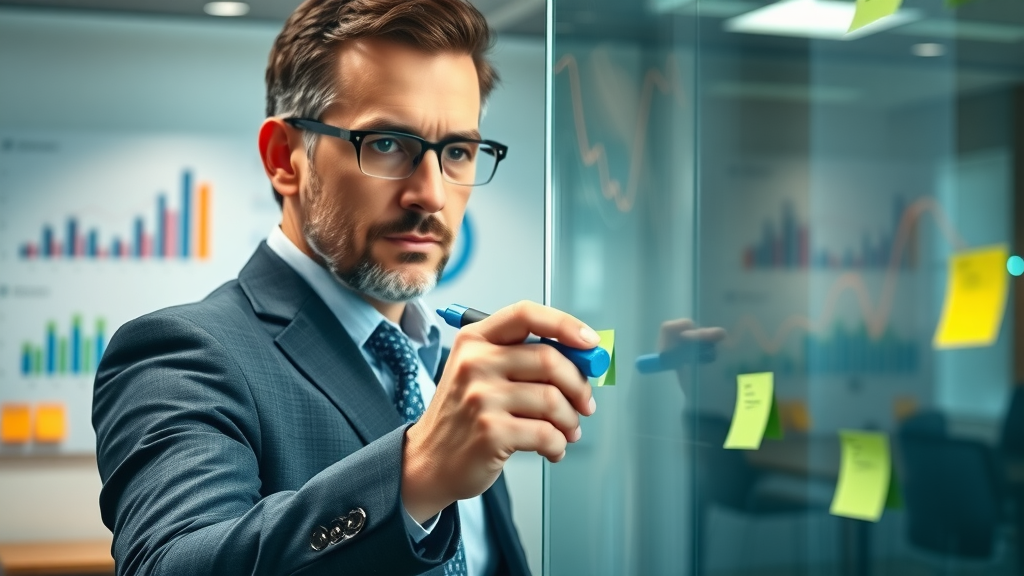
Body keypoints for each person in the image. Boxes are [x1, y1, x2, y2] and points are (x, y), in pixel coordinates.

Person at [91, 1, 601, 574]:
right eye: (386, 143)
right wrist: (415, 473)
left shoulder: (450, 357)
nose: (431, 194)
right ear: (285, 158)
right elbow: (168, 565)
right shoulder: (182, 352)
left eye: (457, 151)